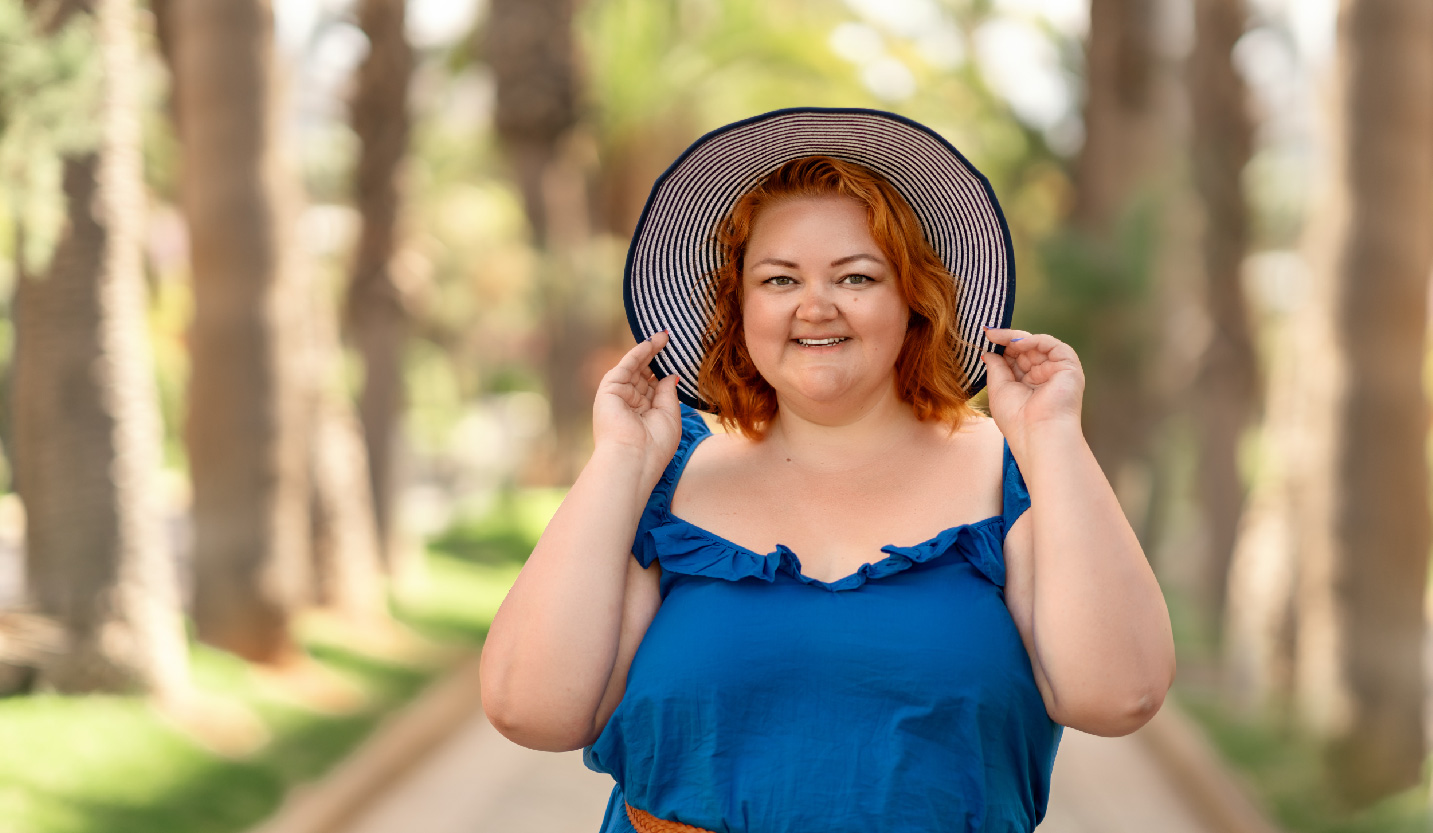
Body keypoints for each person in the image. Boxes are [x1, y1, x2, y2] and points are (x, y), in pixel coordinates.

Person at [480, 108, 1175, 833]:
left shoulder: (1016, 476)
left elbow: (1118, 695)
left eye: (856, 276)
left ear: (913, 300)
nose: (815, 306)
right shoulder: (662, 482)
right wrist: (620, 458)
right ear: (738, 305)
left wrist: (1053, 434)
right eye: (779, 280)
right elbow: (530, 710)